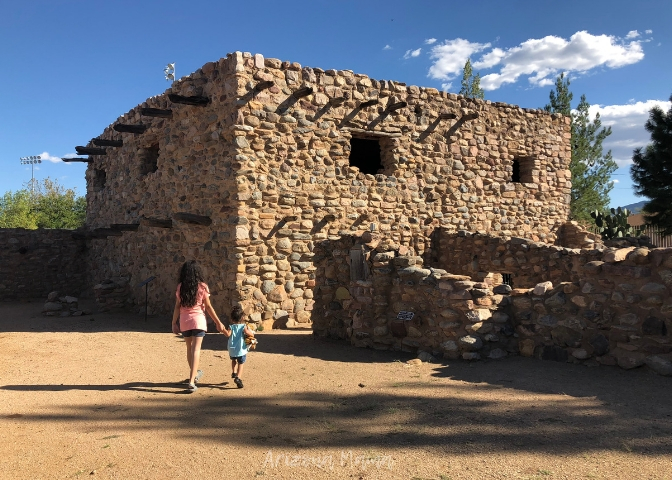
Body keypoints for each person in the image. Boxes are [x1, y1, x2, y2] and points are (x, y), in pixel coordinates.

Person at [171, 260, 224, 393]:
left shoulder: (180, 287)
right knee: (196, 350)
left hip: (185, 321)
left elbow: (177, 306)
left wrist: (173, 323)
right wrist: (218, 322)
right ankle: (191, 380)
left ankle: (193, 376)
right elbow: (209, 306)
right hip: (198, 321)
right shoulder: (202, 287)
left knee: (189, 349)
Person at [220, 305, 255, 388]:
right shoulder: (243, 327)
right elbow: (250, 334)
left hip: (232, 348)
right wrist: (249, 333)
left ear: (232, 319)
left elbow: (228, 334)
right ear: (242, 318)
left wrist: (223, 330)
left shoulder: (231, 327)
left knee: (233, 360)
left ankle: (234, 372)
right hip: (241, 349)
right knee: (241, 363)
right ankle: (238, 378)